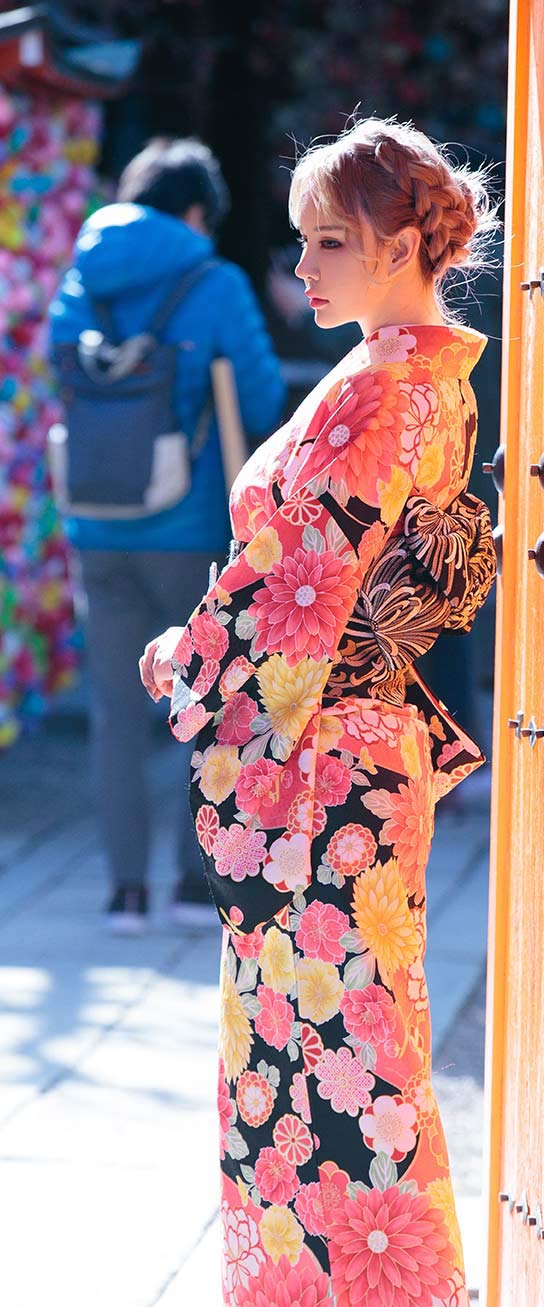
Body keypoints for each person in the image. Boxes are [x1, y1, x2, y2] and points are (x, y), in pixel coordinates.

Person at [138, 118, 506, 1307]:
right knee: (277, 1094)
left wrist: (191, 663)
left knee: (353, 1082)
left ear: (410, 241)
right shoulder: (373, 378)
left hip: (331, 769)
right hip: (305, 762)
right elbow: (290, 573)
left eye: (331, 241)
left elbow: (299, 587)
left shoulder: (402, 390)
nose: (303, 267)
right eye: (302, 241)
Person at [50, 137, 286, 933]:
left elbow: (63, 370)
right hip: (189, 529)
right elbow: (256, 400)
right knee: (207, 702)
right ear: (194, 213)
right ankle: (195, 884)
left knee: (116, 712)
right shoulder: (213, 282)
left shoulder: (81, 278)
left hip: (97, 518)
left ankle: (125, 893)